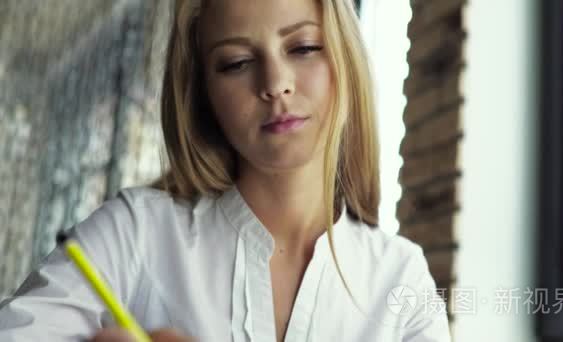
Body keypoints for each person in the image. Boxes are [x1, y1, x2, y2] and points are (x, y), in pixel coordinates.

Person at [0, 0, 452, 341]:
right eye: (236, 63)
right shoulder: (136, 233)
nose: (276, 84)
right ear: (202, 94)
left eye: (304, 47)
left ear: (346, 59)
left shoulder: (399, 276)